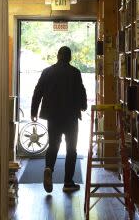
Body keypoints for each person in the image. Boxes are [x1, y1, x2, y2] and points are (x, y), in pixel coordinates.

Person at [30, 45, 87, 194]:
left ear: (57, 56)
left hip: (53, 116)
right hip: (70, 117)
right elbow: (81, 91)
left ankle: (49, 167)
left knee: (53, 145)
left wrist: (33, 111)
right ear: (69, 58)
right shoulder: (75, 72)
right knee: (71, 149)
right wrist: (83, 106)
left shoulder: (47, 72)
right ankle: (68, 182)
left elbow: (38, 91)